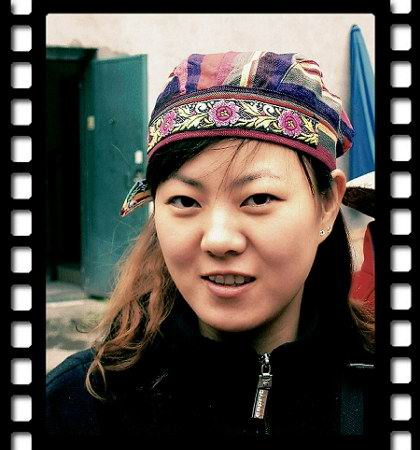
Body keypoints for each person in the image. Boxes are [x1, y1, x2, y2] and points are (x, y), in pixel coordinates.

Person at [46, 51, 376, 447]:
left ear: (327, 204)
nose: (218, 240)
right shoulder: (79, 407)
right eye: (185, 201)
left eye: (258, 198)